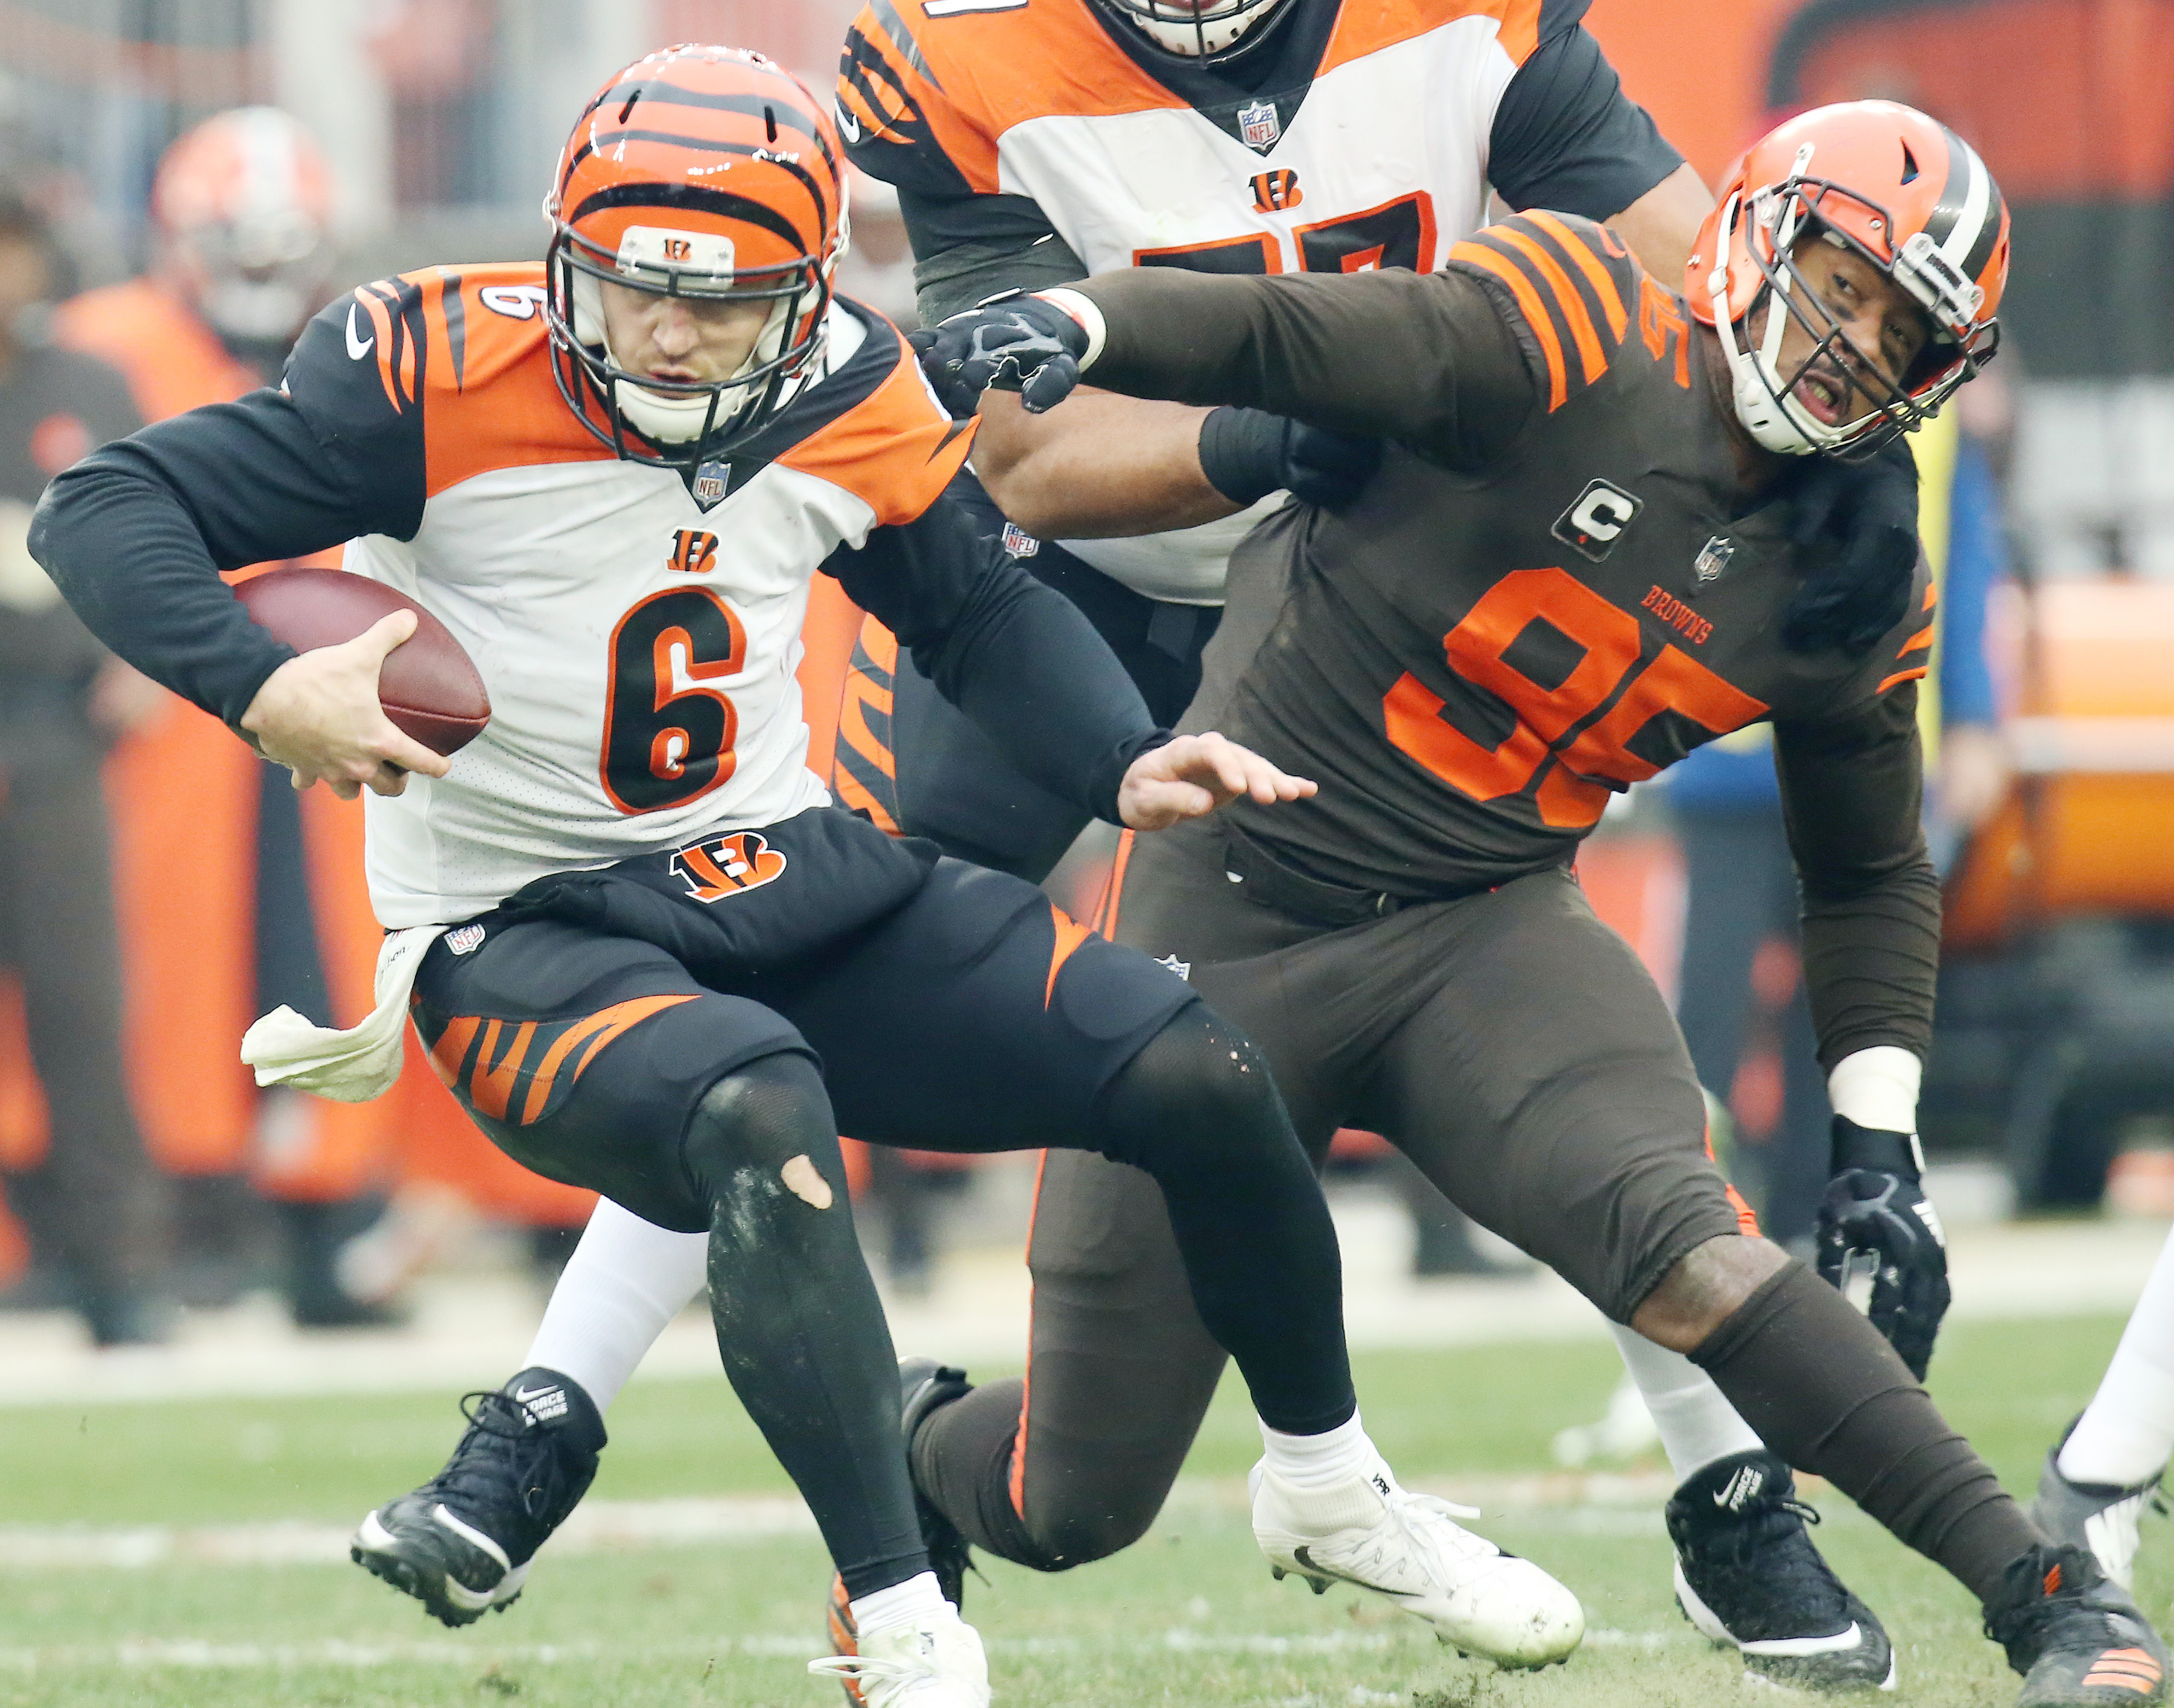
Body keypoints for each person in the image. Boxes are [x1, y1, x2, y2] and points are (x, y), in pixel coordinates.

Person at [367, 0, 1922, 1683]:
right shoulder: (973, 57)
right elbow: (1021, 459)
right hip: (1072, 604)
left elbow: (1708, 299)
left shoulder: (1463, 22)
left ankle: (1724, 1489)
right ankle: (550, 1414)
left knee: (1543, 1009)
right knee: (780, 957)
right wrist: (1268, 436)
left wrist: (1828, 468)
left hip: (1388, 596)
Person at [30, 46, 1588, 1707]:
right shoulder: (428, 371)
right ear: (569, 254)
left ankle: (1329, 1484)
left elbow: (972, 606)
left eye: (721, 302)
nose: (668, 335)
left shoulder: (849, 380)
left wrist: (1113, 763)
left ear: (805, 292)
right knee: (758, 1110)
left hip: (777, 871)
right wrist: (265, 686)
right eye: (631, 289)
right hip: (524, 924)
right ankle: (901, 1614)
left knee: (1200, 1070)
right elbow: (102, 508)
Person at [907, 100, 2174, 1706]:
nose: (1852, 343)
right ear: (1747, 237)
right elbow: (1285, 328)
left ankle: (2045, 1596)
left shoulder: (1855, 571)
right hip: (1229, 912)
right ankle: (908, 1446)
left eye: (1899, 329)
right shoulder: (1574, 321)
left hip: (1480, 923)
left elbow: (1864, 866)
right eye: (1840, 283)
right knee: (1069, 1500)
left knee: (1694, 1251)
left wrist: (1876, 1144)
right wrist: (1085, 317)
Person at [49, 107, 551, 1325]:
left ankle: (325, 1229)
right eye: (238, 241)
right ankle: (155, 1233)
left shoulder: (371, 349)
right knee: (148, 965)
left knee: (331, 950)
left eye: (283, 245)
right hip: (161, 714)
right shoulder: (103, 347)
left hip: (336, 698)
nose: (260, 272)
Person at [0, 181, 171, 1346]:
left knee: (79, 1006)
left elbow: (151, 530)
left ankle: (116, 1269)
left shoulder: (81, 385)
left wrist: (146, 645)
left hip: (50, 730)